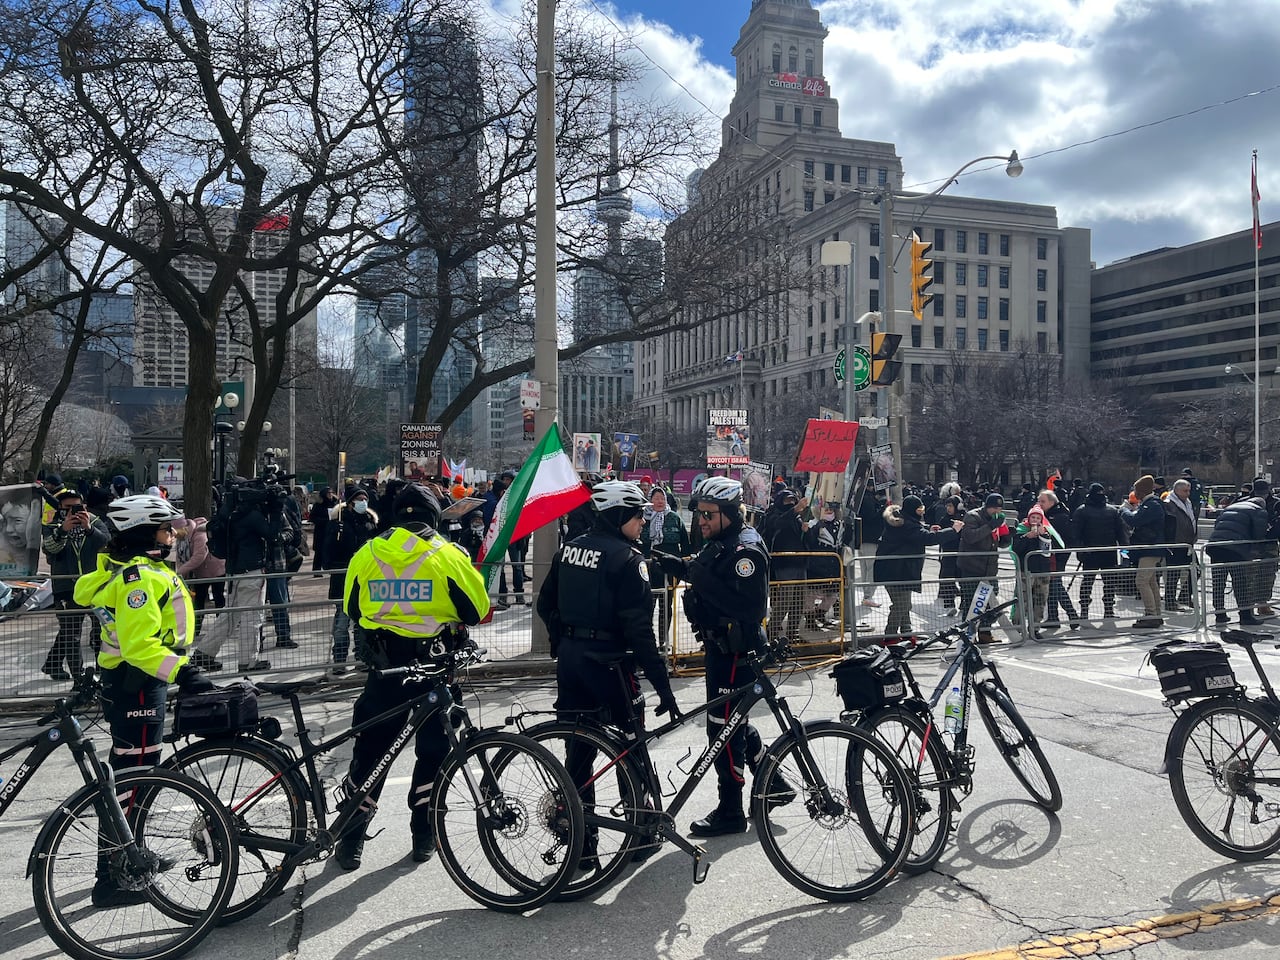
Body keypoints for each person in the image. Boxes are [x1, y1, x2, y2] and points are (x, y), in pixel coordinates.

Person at [334, 483, 490, 870]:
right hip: (435, 667)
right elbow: (476, 609)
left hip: (384, 667)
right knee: (435, 751)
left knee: (371, 752)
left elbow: (352, 607)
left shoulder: (367, 552)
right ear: (434, 517)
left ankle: (350, 839)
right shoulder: (448, 554)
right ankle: (424, 833)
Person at [73, 494, 216, 906]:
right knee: (134, 782)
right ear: (141, 533)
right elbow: (139, 645)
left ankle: (124, 861)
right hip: (139, 680)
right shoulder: (140, 578)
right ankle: (117, 877)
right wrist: (184, 671)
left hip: (134, 682)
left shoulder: (133, 569)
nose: (171, 534)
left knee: (130, 776)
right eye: (163, 528)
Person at [537, 480, 680, 867]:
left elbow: (544, 605)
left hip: (571, 662)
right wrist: (664, 687)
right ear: (618, 516)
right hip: (611, 665)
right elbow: (640, 632)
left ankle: (583, 845)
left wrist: (562, 643)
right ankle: (639, 835)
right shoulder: (628, 560)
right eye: (637, 515)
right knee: (630, 747)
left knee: (579, 752)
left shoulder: (569, 550)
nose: (642, 521)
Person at [652, 477, 794, 838]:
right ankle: (773, 781)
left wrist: (696, 576)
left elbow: (746, 605)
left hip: (736, 650)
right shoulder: (721, 541)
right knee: (735, 723)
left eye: (707, 514)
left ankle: (730, 809)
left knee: (722, 730)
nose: (700, 520)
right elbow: (704, 565)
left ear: (729, 513)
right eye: (698, 512)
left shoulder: (745, 550)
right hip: (720, 648)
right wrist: (677, 565)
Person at [40, 489, 110, 680]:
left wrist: (89, 529)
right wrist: (62, 530)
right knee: (71, 634)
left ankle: (102, 671)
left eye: (77, 507)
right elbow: (50, 549)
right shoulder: (52, 525)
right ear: (60, 508)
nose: (73, 511)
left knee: (101, 631)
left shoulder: (95, 521)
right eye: (68, 507)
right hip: (66, 588)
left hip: (96, 587)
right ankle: (79, 678)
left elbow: (106, 543)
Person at [874, 496, 962, 639]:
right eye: (919, 510)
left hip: (898, 570)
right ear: (912, 510)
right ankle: (890, 636)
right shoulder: (905, 525)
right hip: (896, 571)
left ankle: (907, 632)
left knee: (904, 603)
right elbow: (927, 538)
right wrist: (953, 531)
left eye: (922, 509)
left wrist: (928, 528)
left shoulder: (903, 521)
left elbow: (918, 532)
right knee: (901, 605)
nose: (921, 512)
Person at [1206, 479, 1272, 625]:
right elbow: (1259, 534)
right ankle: (1245, 616)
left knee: (1218, 582)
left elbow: (1218, 524)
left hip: (1215, 546)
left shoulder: (1231, 507)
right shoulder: (1259, 510)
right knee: (1240, 583)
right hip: (1236, 548)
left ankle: (1220, 614)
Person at [639, 486, 691, 650]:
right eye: (656, 498)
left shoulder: (674, 518)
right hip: (647, 570)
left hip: (668, 572)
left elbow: (685, 543)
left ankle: (663, 642)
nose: (659, 501)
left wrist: (682, 564)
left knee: (666, 606)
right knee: (647, 605)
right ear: (650, 500)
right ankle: (648, 642)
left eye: (662, 498)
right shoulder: (642, 519)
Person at [957, 493, 1012, 643]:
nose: (996, 511)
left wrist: (1007, 534)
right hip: (972, 568)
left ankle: (985, 633)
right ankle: (968, 636)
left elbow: (1002, 543)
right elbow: (970, 537)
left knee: (990, 604)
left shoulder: (998, 520)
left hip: (990, 568)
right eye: (994, 508)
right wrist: (990, 526)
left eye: (999, 508)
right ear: (987, 506)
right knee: (970, 604)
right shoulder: (973, 516)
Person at [1072, 483, 1127, 620]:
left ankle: (1085, 610)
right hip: (1107, 551)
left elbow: (1075, 534)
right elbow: (1121, 533)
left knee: (1088, 582)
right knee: (1108, 583)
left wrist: (1080, 551)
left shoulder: (1082, 510)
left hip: (1091, 552)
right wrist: (1125, 551)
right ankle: (1108, 610)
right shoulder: (1112, 510)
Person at [1121, 474, 1169, 629]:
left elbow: (1135, 520)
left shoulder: (1152, 504)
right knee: (1151, 581)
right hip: (1152, 547)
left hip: (1150, 548)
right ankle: (1156, 614)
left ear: (1141, 491)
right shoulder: (1153, 503)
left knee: (1141, 580)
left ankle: (1151, 614)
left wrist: (1124, 511)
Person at [762, 488, 809, 643]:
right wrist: (795, 510)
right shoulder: (773, 514)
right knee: (785, 601)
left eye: (793, 500)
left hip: (799, 563)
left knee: (799, 601)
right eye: (787, 500)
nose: (790, 503)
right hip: (783, 564)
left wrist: (806, 530)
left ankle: (792, 633)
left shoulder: (796, 517)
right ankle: (771, 632)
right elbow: (776, 524)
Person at [173, 514, 225, 642]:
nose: (173, 535)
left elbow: (199, 556)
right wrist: (180, 575)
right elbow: (180, 557)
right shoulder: (182, 538)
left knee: (218, 598)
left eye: (174, 531)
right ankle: (195, 629)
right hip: (200, 572)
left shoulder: (199, 533)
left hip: (215, 569)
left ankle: (221, 629)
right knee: (199, 600)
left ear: (182, 528)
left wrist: (180, 571)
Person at [1164, 478, 1198, 612]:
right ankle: (1170, 602)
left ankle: (1184, 595)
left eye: (1189, 490)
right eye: (1185, 491)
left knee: (1197, 570)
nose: (1188, 493)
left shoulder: (1187, 503)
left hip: (1187, 544)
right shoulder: (1169, 503)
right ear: (1177, 490)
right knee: (1173, 574)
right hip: (1175, 544)